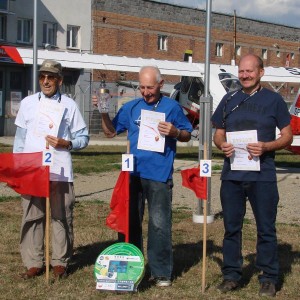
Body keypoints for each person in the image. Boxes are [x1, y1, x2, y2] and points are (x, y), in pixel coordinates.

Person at [93, 65, 193, 287]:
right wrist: (102, 111)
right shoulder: (131, 107)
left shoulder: (172, 107)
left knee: (159, 223)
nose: (146, 92)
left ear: (160, 84)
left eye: (150, 87)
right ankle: (129, 267)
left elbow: (187, 133)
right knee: (129, 222)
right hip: (132, 173)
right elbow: (110, 132)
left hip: (158, 173)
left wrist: (176, 133)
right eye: (142, 87)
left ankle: (160, 272)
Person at [211, 54, 293, 297]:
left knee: (266, 228)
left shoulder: (274, 100)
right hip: (232, 174)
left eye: (250, 71)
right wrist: (222, 145)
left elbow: (287, 136)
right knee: (231, 227)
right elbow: (218, 134)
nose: (245, 75)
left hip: (263, 175)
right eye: (242, 71)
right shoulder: (228, 99)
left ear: (261, 72)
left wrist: (266, 146)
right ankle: (231, 275)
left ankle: (268, 277)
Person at [14, 59, 89, 279]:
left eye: (51, 77)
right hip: (32, 170)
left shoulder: (69, 105)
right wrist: (20, 168)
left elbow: (83, 137)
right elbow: (20, 140)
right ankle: (33, 261)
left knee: (61, 215)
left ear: (59, 80)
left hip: (59, 169)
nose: (46, 81)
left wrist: (67, 143)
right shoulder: (28, 103)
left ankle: (60, 262)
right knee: (31, 216)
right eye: (42, 77)